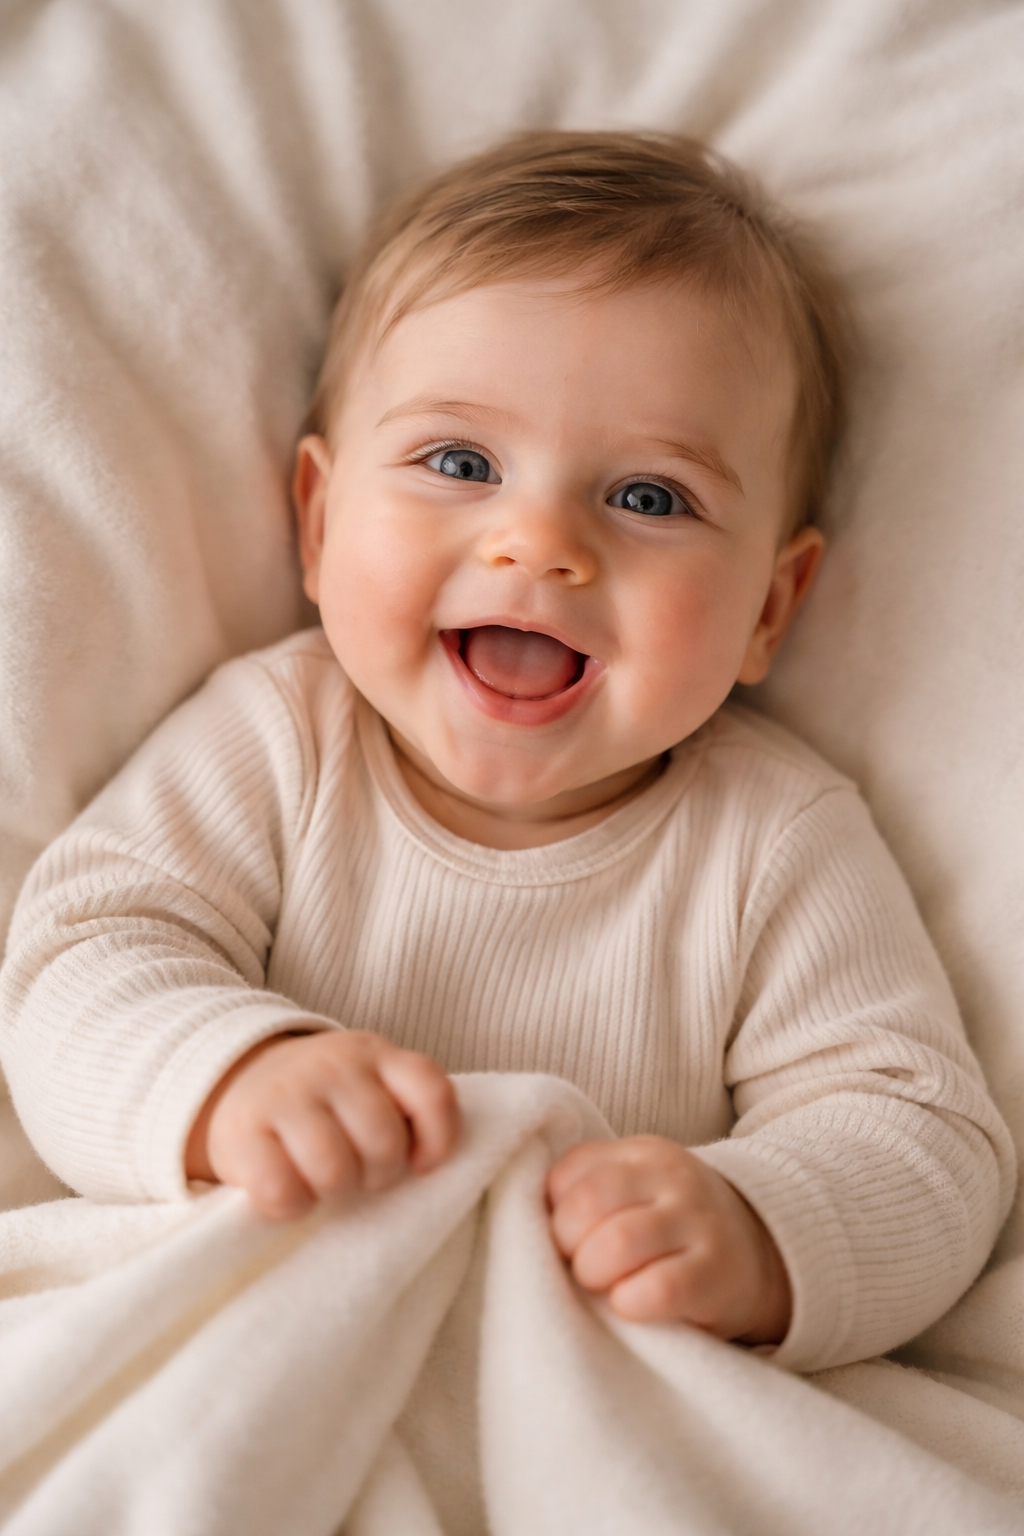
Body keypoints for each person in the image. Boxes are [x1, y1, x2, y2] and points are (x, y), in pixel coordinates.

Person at [0, 132, 1013, 1372]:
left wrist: (757, 1229)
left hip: (582, 1376)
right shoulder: (278, 737)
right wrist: (229, 1081)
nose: (538, 542)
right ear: (319, 522)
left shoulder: (773, 840)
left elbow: (921, 1136)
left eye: (649, 497)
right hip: (270, 1331)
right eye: (460, 463)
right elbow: (80, 959)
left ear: (767, 607)